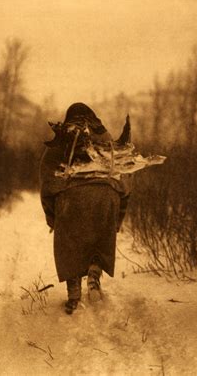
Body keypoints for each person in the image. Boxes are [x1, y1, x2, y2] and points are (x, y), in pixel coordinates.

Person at [39, 102, 132, 314]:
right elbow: (126, 181)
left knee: (69, 244)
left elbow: (46, 181)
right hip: (107, 196)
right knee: (101, 241)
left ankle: (74, 294)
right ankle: (94, 273)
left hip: (71, 198)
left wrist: (52, 217)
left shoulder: (61, 140)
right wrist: (117, 218)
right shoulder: (107, 140)